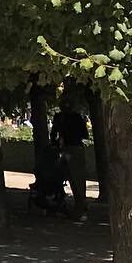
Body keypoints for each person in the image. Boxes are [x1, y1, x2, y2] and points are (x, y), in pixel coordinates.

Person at [51, 91, 90, 220]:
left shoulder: (61, 117)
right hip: (73, 149)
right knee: (76, 180)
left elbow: (54, 135)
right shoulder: (76, 118)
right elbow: (84, 135)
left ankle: (78, 207)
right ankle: (79, 207)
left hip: (68, 149)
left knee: (71, 179)